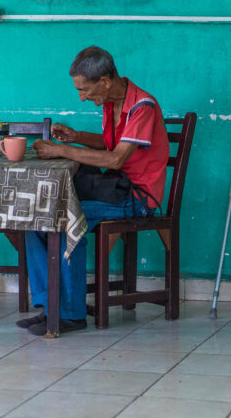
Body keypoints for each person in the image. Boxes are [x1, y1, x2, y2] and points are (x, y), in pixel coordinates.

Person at [16, 46, 169, 335]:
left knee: (61, 219)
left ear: (105, 82)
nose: (82, 97)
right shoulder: (113, 103)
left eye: (84, 90)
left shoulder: (142, 107)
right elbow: (111, 144)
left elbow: (115, 158)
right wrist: (78, 137)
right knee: (34, 217)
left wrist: (63, 149)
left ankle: (71, 315)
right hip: (114, 190)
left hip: (137, 198)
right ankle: (51, 306)